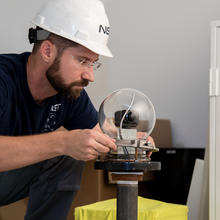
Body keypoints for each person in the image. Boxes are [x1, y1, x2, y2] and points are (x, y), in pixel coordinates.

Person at [0, 0, 154, 219]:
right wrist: (63, 141)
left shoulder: (68, 93)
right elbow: (68, 142)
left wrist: (133, 141)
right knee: (66, 147)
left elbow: (99, 135)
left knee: (68, 154)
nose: (89, 76)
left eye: (93, 63)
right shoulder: (4, 80)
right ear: (46, 50)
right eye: (82, 60)